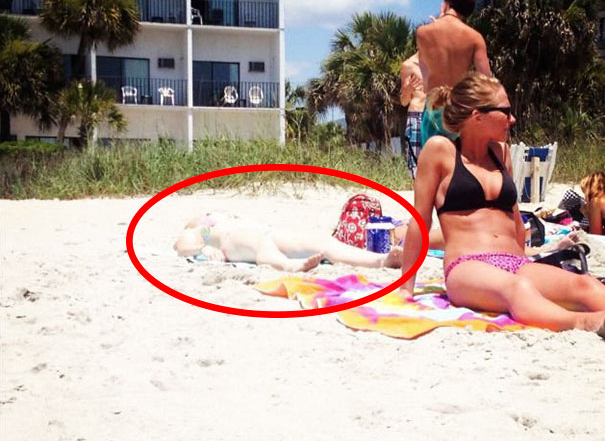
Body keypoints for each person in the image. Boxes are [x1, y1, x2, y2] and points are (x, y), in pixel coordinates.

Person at [400, 72, 605, 335]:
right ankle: (586, 323)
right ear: (478, 116)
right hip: (467, 266)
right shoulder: (440, 151)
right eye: (505, 112)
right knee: (518, 289)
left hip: (515, 263)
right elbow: (420, 220)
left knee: (585, 285)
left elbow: (514, 216)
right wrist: (406, 287)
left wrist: (531, 253)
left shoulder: (502, 153)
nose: (512, 119)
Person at [174, 213, 404, 271]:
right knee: (260, 243)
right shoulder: (205, 228)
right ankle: (289, 266)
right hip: (233, 241)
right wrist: (204, 247)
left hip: (269, 232)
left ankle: (380, 260)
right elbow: (182, 246)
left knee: (323, 242)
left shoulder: (223, 220)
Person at [416, 0, 491, 146]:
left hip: (434, 104)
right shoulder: (475, 38)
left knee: (432, 156)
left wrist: (441, 17)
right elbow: (486, 78)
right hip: (460, 105)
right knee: (460, 158)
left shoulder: (423, 33)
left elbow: (424, 73)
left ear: (447, 3)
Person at [400, 52, 426, 179]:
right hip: (418, 115)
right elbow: (403, 101)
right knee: (417, 167)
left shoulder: (440, 62)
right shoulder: (408, 65)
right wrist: (409, 89)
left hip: (437, 116)